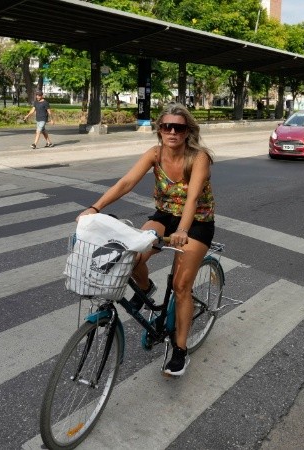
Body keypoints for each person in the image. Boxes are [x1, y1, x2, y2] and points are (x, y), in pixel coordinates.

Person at [77, 103, 215, 377]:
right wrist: (95, 208)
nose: (172, 132)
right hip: (165, 215)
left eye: (179, 127)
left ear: (188, 131)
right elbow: (125, 183)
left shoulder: (198, 158)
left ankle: (180, 349)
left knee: (181, 285)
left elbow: (192, 199)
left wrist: (183, 231)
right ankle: (146, 286)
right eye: (167, 127)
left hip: (196, 222)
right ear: (159, 130)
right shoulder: (155, 154)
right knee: (131, 252)